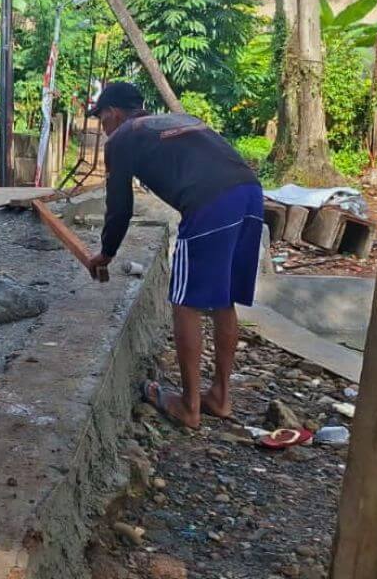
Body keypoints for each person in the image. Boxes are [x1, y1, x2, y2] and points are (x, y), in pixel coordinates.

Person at [81, 82, 263, 429]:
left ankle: (189, 405)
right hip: (250, 193)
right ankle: (220, 397)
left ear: (113, 113)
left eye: (102, 118)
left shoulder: (121, 138)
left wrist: (105, 252)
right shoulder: (177, 120)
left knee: (185, 302)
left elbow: (119, 206)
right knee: (223, 299)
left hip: (209, 202)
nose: (102, 127)